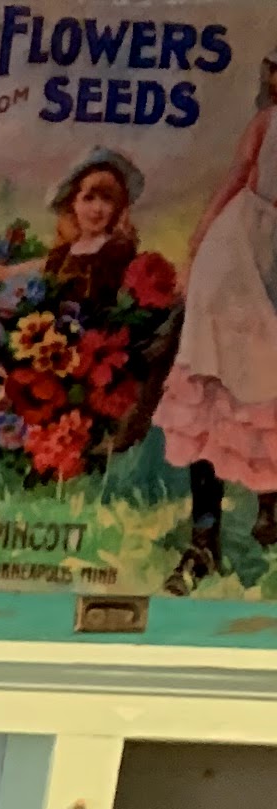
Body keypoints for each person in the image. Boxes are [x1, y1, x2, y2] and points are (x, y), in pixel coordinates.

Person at [162, 55, 277, 585]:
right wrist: (201, 236)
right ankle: (204, 535)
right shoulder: (267, 122)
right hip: (240, 254)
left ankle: (269, 504)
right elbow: (238, 175)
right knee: (219, 383)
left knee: (267, 387)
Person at [43, 148, 141, 314]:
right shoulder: (61, 255)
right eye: (88, 198)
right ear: (73, 203)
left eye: (107, 199)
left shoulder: (117, 252)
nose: (97, 209)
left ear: (117, 206)